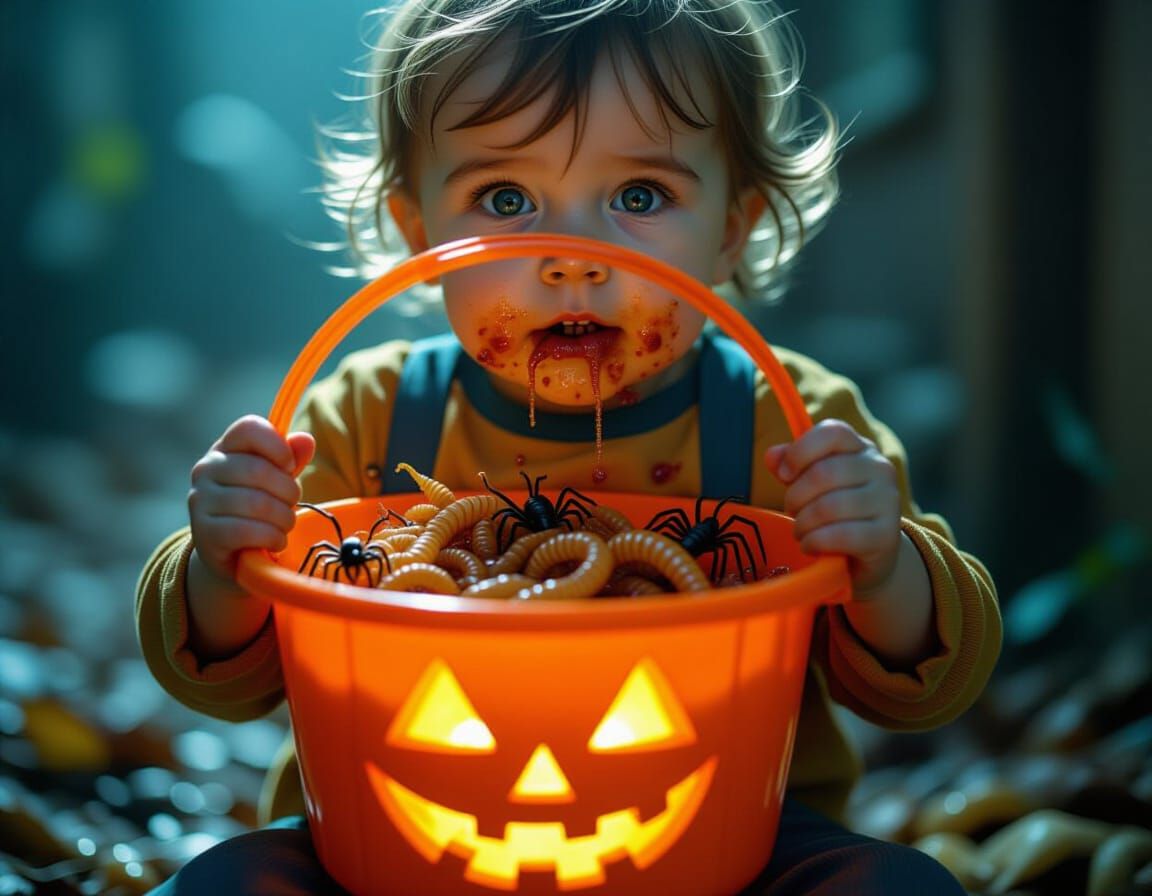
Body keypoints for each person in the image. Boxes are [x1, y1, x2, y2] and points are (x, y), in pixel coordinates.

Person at [137, 0, 1000, 893]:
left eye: (641, 196)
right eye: (506, 200)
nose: (574, 257)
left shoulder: (794, 427)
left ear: (732, 229)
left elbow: (920, 688)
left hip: (728, 841)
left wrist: (881, 565)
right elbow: (229, 679)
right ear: (420, 233)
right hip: (379, 843)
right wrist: (224, 560)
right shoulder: (368, 414)